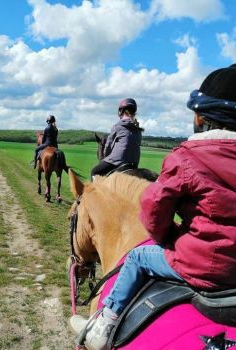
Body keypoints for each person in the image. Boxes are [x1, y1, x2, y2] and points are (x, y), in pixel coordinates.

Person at [70, 64, 236, 350]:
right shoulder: (136, 128)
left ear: (199, 118)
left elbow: (152, 210)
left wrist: (169, 238)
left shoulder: (185, 156)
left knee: (136, 257)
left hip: (202, 265)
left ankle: (104, 323)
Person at [91, 98, 143, 179]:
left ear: (121, 111)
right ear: (134, 112)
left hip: (117, 162)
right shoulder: (138, 129)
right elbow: (138, 145)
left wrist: (105, 157)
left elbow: (108, 146)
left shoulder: (118, 126)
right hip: (134, 164)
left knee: (94, 172)